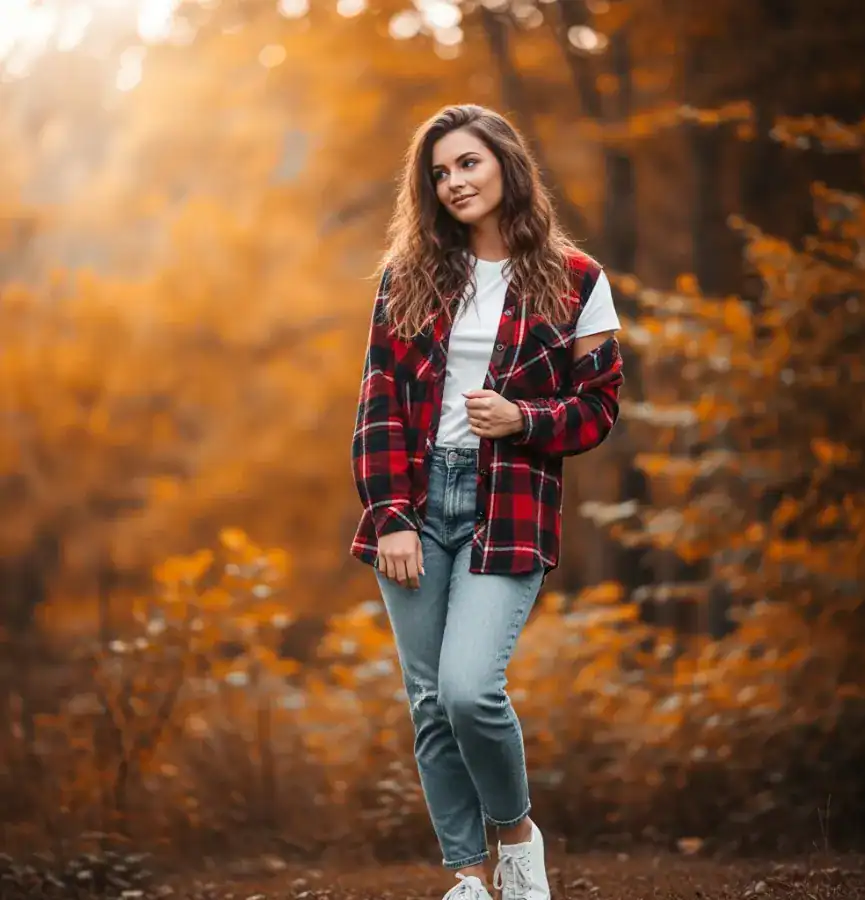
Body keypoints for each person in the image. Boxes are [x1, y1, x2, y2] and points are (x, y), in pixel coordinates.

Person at [350, 104, 623, 900]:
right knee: (430, 701)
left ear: (505, 163)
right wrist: (390, 515)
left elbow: (599, 407)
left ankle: (515, 835)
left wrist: (523, 419)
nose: (454, 182)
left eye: (467, 163)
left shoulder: (578, 280)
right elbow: (378, 404)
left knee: (472, 689)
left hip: (509, 503)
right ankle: (468, 877)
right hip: (415, 496)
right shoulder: (407, 279)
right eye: (439, 173)